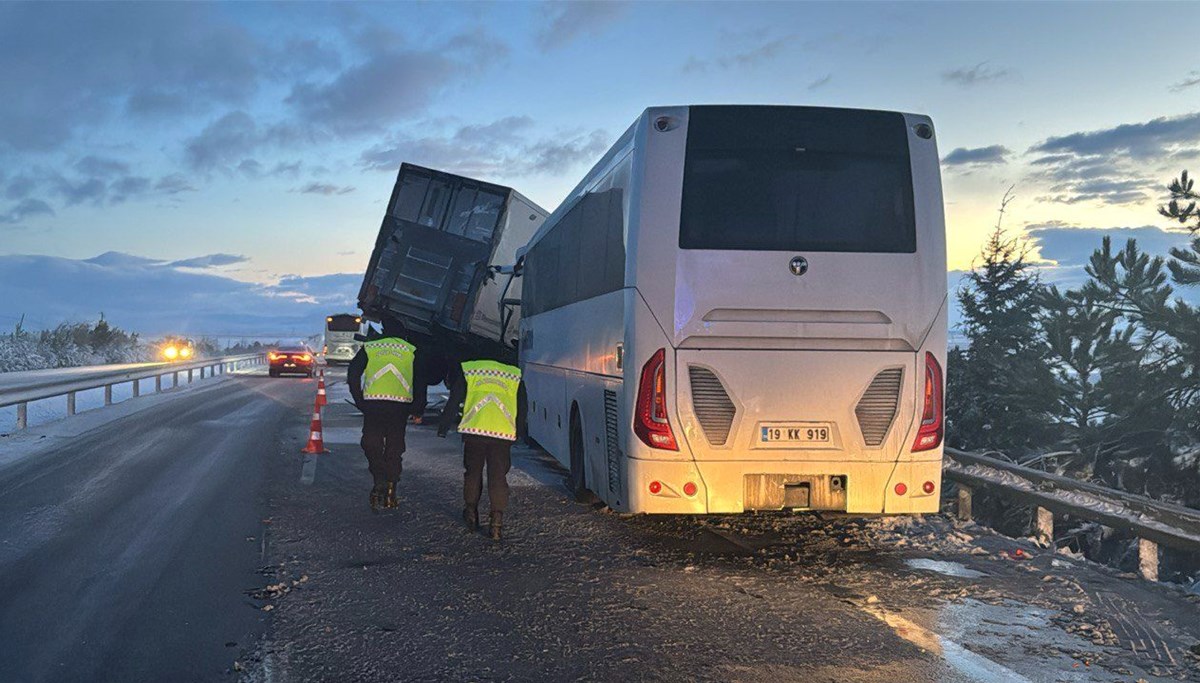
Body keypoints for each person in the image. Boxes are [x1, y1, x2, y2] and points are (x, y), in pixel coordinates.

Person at [437, 356, 525, 540]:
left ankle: (471, 513)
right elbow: (522, 408)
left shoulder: (471, 371)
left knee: (472, 472)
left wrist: (443, 426)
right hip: (502, 434)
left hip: (474, 431)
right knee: (498, 476)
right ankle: (496, 522)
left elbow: (454, 398)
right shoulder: (514, 375)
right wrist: (519, 433)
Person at [348, 317, 423, 511]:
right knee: (394, 448)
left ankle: (380, 480)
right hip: (400, 408)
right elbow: (420, 381)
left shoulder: (371, 347)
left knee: (371, 443)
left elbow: (353, 373)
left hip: (373, 405)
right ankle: (391, 488)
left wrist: (359, 400)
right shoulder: (411, 350)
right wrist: (417, 408)